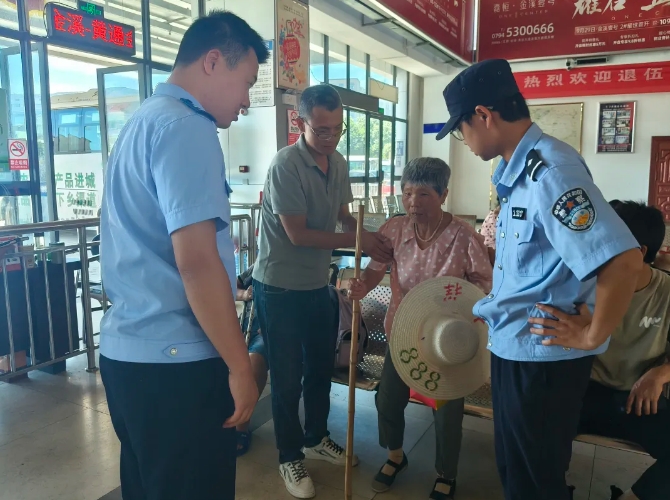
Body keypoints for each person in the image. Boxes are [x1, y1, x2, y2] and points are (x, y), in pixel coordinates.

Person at [435, 58, 642, 500]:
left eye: (460, 129)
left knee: (535, 483)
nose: (463, 140)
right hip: (518, 349)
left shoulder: (550, 172)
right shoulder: (518, 172)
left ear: (483, 116)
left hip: (543, 363)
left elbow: (623, 261)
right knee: (518, 475)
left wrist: (593, 334)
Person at [99, 12, 269, 500]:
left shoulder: (142, 121)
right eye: (246, 82)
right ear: (213, 61)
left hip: (128, 356)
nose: (245, 100)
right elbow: (196, 262)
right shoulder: (187, 127)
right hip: (177, 364)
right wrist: (240, 367)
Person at [252, 84, 393, 499]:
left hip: (318, 285)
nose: (330, 138)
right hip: (279, 288)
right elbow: (298, 235)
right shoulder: (286, 165)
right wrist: (359, 241)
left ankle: (315, 437)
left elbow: (343, 218)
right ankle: (289, 455)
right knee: (286, 377)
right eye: (322, 130)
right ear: (301, 122)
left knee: (319, 369)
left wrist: (373, 235)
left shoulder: (338, 162)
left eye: (337, 129)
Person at [348, 157, 493, 500]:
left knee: (446, 414)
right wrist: (361, 286)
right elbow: (375, 270)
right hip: (404, 334)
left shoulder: (464, 237)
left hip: (447, 341)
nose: (413, 202)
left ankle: (446, 473)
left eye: (424, 194)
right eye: (407, 193)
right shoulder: (394, 230)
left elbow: (484, 285)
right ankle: (396, 456)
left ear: (443, 195)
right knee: (387, 400)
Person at [579, 200, 670, 500]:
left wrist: (660, 374)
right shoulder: (586, 285)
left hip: (639, 399)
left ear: (640, 252)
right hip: (583, 392)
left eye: (610, 241)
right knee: (535, 434)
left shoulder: (666, 292)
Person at [234, 263, 268, 456]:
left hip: (268, 332)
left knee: (254, 362)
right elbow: (233, 286)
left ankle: (241, 427)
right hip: (242, 326)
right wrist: (244, 295)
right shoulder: (258, 265)